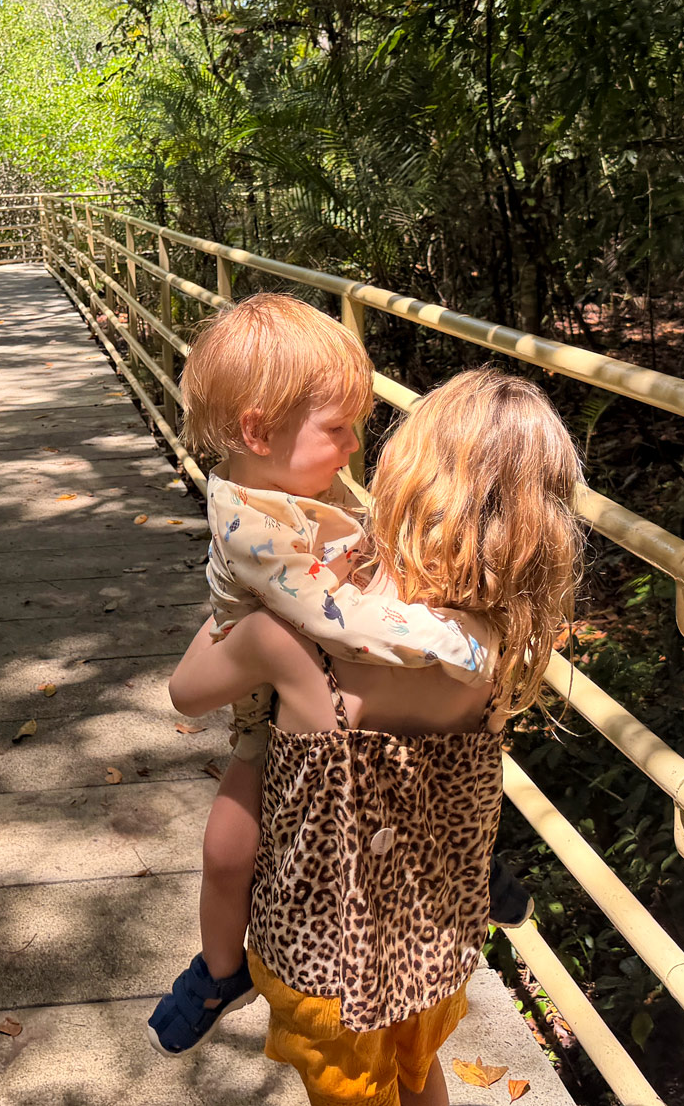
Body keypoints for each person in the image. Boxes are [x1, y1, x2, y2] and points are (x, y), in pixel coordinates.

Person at [166, 368, 584, 1104]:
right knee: (421, 1076)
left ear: (406, 483)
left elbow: (187, 691)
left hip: (324, 959)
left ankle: (214, 976)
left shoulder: (287, 637)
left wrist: (249, 583)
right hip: (433, 946)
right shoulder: (498, 652)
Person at [147, 295, 499, 1056]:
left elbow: (356, 558)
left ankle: (473, 875)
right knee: (227, 847)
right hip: (264, 707)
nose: (353, 445)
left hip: (318, 693)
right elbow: (336, 618)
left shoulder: (300, 478)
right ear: (257, 430)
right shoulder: (248, 521)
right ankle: (218, 969)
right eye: (338, 429)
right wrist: (449, 640)